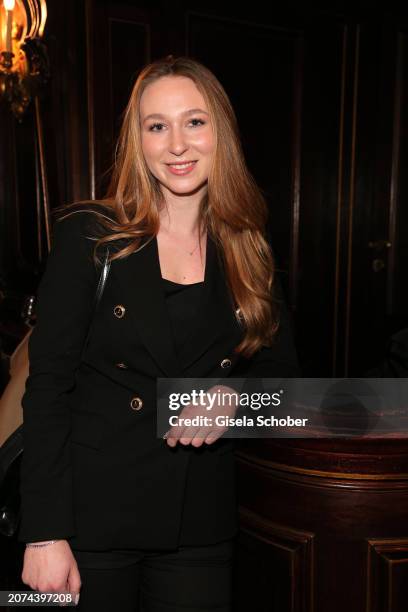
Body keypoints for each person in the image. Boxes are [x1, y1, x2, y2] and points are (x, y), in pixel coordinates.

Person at [18, 55, 300, 611]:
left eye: (194, 121)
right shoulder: (91, 237)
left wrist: (234, 400)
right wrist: (44, 533)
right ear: (138, 141)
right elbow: (47, 388)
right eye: (157, 126)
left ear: (221, 132)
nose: (177, 144)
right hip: (90, 517)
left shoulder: (248, 245)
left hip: (199, 518)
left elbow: (285, 383)